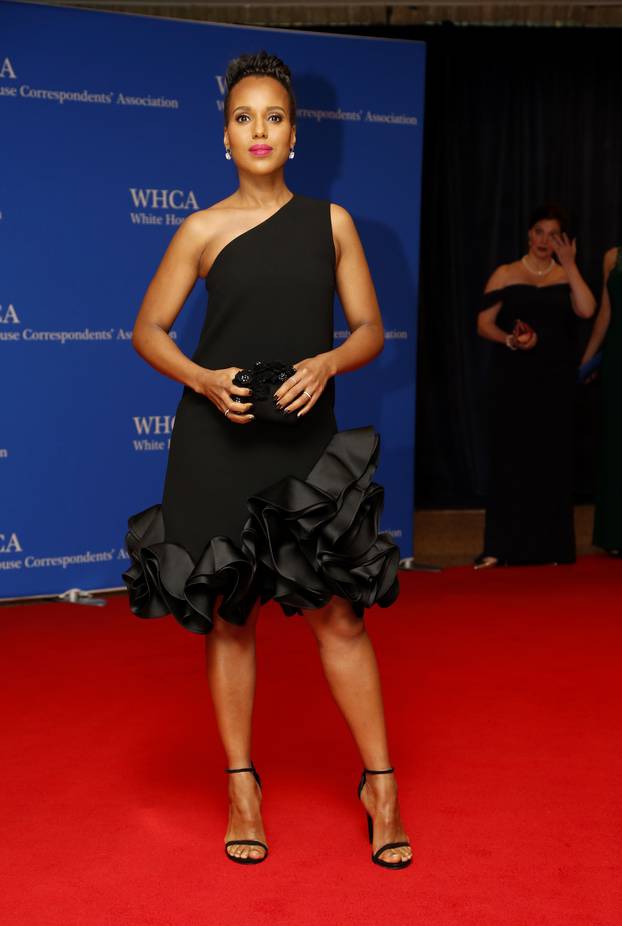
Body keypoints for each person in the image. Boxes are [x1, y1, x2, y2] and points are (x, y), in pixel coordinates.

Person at [122, 51, 412, 870]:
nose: (260, 130)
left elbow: (368, 330)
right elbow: (148, 330)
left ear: (294, 134)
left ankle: (380, 787)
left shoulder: (334, 223)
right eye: (244, 117)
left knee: (339, 616)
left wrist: (325, 364)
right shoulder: (201, 230)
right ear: (225, 136)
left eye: (274, 117)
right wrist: (204, 380)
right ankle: (242, 786)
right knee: (230, 614)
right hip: (217, 436)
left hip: (301, 438)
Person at [475, 203, 596, 568]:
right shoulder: (506, 273)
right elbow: (483, 324)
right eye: (540, 232)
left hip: (556, 385)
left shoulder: (566, 274)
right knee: (510, 462)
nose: (545, 240)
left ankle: (552, 549)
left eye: (554, 234)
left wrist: (571, 264)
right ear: (529, 234)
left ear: (564, 240)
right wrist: (511, 340)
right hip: (514, 382)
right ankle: (500, 547)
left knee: (552, 464)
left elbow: (587, 310)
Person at [580, 247, 622, 555]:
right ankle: (615, 536)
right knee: (616, 445)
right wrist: (588, 359)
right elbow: (606, 313)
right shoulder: (612, 257)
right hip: (618, 360)